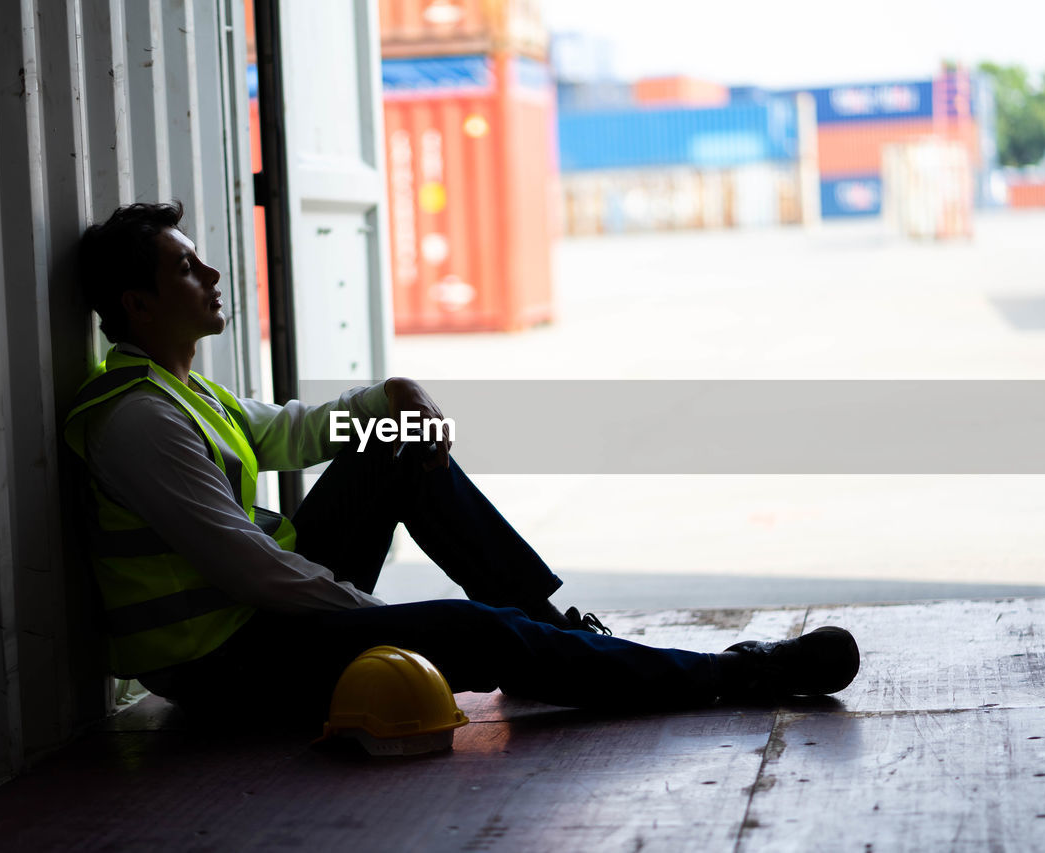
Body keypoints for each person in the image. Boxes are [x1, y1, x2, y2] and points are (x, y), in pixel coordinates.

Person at [64, 201, 860, 726]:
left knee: (400, 447)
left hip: (257, 622)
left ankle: (545, 628)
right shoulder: (140, 420)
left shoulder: (182, 390)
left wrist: (392, 398)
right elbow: (252, 572)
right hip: (224, 668)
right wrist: (367, 615)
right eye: (184, 269)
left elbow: (293, 432)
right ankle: (731, 673)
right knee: (473, 633)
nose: (209, 276)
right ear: (137, 305)